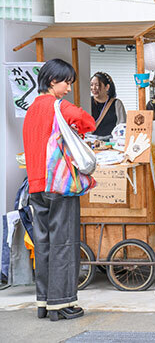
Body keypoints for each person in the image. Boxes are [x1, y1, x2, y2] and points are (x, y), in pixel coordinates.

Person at [22, 59, 96, 321]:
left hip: (36, 186)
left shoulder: (31, 109)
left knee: (43, 244)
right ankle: (62, 304)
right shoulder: (58, 106)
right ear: (53, 81)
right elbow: (87, 121)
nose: (68, 88)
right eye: (67, 82)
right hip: (60, 185)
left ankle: (43, 302)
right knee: (64, 242)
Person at [89, 72, 126, 138]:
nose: (93, 88)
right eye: (91, 85)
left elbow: (122, 127)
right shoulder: (87, 102)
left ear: (107, 87)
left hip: (111, 143)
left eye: (97, 85)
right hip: (91, 142)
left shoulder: (117, 103)